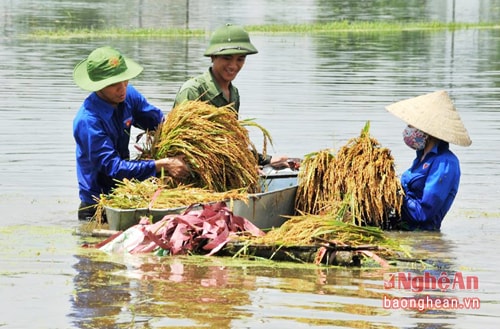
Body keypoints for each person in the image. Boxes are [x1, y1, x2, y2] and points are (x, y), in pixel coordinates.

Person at [73, 46, 189, 221]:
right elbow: (114, 168)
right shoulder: (88, 121)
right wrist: (161, 165)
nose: (122, 88)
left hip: (126, 196)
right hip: (98, 206)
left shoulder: (128, 96)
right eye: (113, 84)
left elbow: (157, 122)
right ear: (99, 86)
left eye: (124, 79)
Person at [173, 23, 289, 168]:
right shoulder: (193, 90)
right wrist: (239, 168)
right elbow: (184, 145)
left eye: (240, 59)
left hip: (223, 166)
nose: (233, 65)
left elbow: (230, 144)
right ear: (213, 57)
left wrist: (267, 160)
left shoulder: (233, 94)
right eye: (227, 58)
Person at [385, 90, 472, 231]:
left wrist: (393, 193)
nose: (408, 130)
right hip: (402, 229)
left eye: (412, 126)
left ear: (428, 131)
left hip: (422, 238)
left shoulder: (445, 163)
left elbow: (423, 214)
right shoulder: (421, 158)